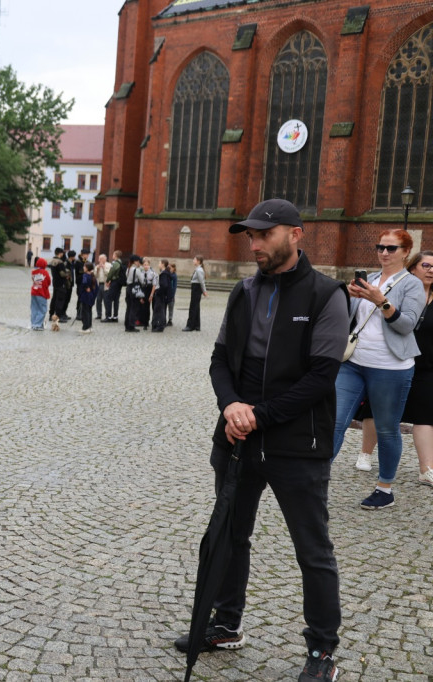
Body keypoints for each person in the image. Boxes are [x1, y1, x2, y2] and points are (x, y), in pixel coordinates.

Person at [174, 198, 348, 682]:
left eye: (263, 235)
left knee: (312, 550)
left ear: (295, 234)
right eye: (250, 236)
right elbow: (219, 358)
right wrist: (230, 406)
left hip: (297, 445)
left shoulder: (326, 295)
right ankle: (226, 625)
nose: (254, 244)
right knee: (230, 536)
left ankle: (322, 651)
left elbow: (321, 377)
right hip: (235, 438)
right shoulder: (244, 292)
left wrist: (259, 416)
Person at [332, 228, 424, 509]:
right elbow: (351, 318)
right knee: (334, 420)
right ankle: (314, 478)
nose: (384, 253)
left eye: (391, 248)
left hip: (391, 367)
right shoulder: (371, 279)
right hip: (354, 362)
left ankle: (385, 489)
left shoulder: (412, 285)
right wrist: (349, 296)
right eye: (380, 247)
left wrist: (380, 301)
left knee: (386, 428)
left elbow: (407, 324)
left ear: (406, 252)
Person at [401, 250, 433, 487]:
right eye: (426, 265)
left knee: (425, 416)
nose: (431, 270)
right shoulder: (401, 294)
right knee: (383, 415)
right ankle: (366, 454)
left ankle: (426, 469)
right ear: (413, 268)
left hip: (428, 367)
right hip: (398, 362)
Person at [183, 255, 208, 332]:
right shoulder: (198, 269)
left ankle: (190, 326)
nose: (193, 261)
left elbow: (201, 282)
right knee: (196, 307)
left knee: (193, 307)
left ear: (198, 261)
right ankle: (197, 325)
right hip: (196, 288)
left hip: (196, 288)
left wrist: (204, 291)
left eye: (194, 259)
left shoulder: (199, 270)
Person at [124, 254, 145, 332]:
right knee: (134, 308)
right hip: (134, 288)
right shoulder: (136, 269)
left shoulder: (128, 268)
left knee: (128, 308)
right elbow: (142, 280)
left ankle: (127, 325)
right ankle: (131, 325)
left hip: (128, 288)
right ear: (136, 261)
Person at [47, 248, 70, 322]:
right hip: (61, 283)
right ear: (60, 253)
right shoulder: (60, 262)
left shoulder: (52, 261)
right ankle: (58, 316)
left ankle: (51, 315)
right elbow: (62, 274)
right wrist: (68, 274)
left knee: (54, 299)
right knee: (60, 300)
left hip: (55, 282)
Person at [152, 259, 172, 332]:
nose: (158, 264)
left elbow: (164, 285)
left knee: (160, 311)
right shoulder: (165, 273)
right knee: (161, 310)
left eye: (159, 263)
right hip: (163, 295)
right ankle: (159, 325)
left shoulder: (164, 274)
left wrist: (158, 291)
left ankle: (160, 326)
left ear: (163, 264)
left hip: (161, 295)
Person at [104, 250, 124, 322]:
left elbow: (111, 272)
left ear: (115, 255)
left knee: (109, 299)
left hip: (115, 282)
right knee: (116, 300)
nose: (112, 255)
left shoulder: (115, 263)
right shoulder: (120, 262)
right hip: (119, 283)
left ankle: (108, 316)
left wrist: (107, 280)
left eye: (113, 254)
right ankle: (115, 316)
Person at [30, 257, 50, 330]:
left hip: (34, 292)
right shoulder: (45, 272)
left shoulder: (34, 271)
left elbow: (34, 280)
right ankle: (38, 325)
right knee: (42, 309)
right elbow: (48, 281)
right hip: (41, 293)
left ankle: (33, 324)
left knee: (34, 309)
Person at [78, 260, 97, 334]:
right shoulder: (93, 275)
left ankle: (85, 327)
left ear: (87, 268)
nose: (83, 267)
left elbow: (84, 283)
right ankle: (89, 326)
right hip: (90, 296)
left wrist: (86, 288)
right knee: (89, 311)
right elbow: (96, 288)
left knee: (85, 312)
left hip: (85, 296)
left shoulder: (85, 275)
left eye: (84, 266)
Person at [141, 257, 156, 329]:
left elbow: (154, 285)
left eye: (147, 265)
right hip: (143, 289)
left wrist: (151, 295)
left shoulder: (152, 273)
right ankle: (144, 322)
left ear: (149, 265)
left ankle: (149, 321)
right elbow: (140, 284)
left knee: (149, 307)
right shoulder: (141, 273)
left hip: (149, 289)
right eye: (144, 265)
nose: (146, 266)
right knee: (144, 307)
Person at [94, 253, 109, 320]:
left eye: (101, 259)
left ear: (105, 259)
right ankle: (99, 314)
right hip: (98, 284)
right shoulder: (97, 266)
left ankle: (107, 315)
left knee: (106, 300)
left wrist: (103, 267)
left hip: (105, 284)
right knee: (98, 300)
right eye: (99, 259)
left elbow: (109, 274)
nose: (99, 260)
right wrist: (97, 269)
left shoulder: (109, 265)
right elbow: (95, 275)